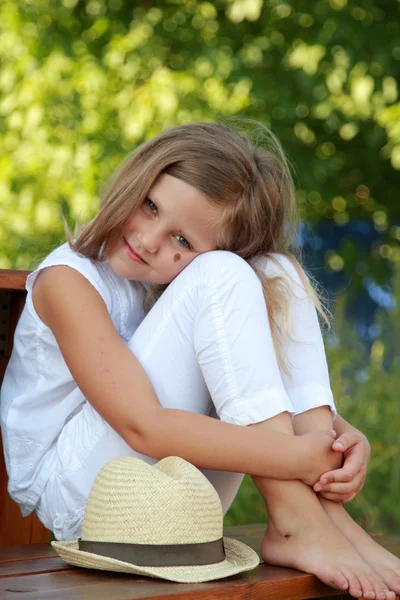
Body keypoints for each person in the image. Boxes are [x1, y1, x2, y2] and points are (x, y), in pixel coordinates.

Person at [1, 122, 399, 598]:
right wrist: (297, 455)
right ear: (137, 177)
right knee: (225, 275)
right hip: (84, 496)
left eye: (183, 242)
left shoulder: (169, 288)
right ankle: (298, 520)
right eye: (151, 206)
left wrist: (332, 435)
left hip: (176, 491)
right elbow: (142, 425)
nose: (150, 240)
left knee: (277, 272)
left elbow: (241, 370)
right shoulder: (67, 279)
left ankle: (329, 516)